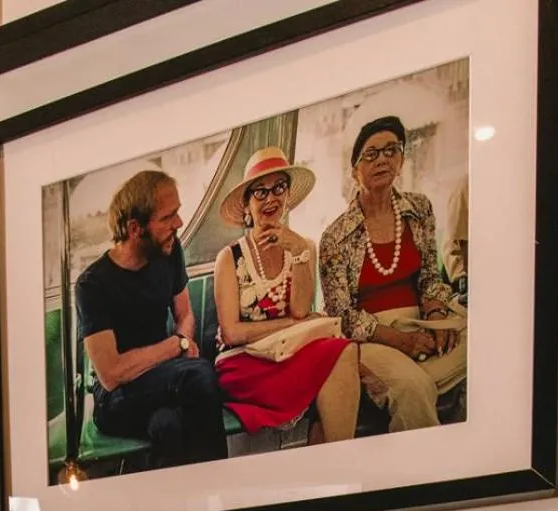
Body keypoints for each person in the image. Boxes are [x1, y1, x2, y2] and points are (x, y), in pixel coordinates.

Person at [319, 116, 466, 432]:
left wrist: (439, 314)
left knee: (490, 341)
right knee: (414, 387)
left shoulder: (419, 209)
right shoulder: (336, 236)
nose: (382, 159)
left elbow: (429, 275)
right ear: (355, 170)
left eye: (391, 150)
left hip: (420, 322)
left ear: (401, 159)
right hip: (371, 339)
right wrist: (403, 342)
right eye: (370, 154)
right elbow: (342, 317)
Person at [75, 170, 228, 468]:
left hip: (166, 378)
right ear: (135, 228)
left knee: (166, 424)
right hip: (117, 396)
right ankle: (219, 487)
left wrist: (181, 340)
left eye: (179, 213)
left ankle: (180, 508)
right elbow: (111, 373)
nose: (179, 224)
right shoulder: (92, 285)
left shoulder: (169, 252)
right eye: (168, 217)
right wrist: (176, 346)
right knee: (200, 375)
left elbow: (185, 315)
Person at [213, 147, 360, 444]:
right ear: (246, 206)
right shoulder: (229, 258)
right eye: (260, 192)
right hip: (243, 362)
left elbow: (301, 311)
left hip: (287, 353)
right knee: (338, 362)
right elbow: (231, 333)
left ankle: (336, 459)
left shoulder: (303, 246)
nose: (271, 199)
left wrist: (300, 254)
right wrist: (291, 326)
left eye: (279, 188)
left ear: (288, 196)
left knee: (344, 350)